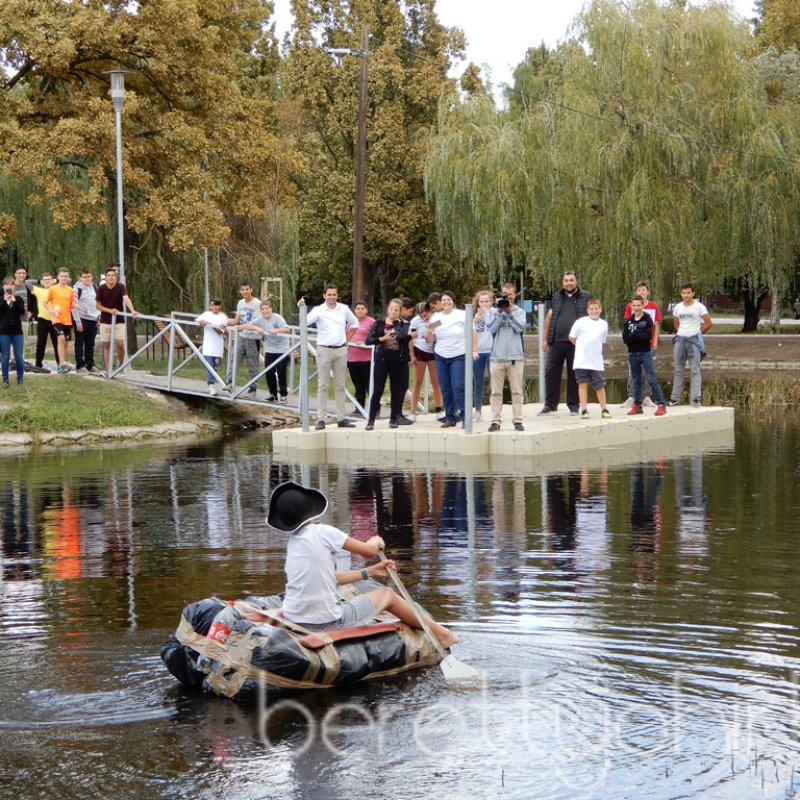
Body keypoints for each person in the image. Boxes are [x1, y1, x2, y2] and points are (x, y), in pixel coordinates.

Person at [267, 481, 458, 648]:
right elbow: (369, 550)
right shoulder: (323, 532)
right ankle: (443, 634)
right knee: (388, 595)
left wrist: (370, 571)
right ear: (311, 511)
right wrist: (376, 540)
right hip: (328, 622)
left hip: (295, 619)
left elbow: (329, 578)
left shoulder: (293, 543)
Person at [299, 284, 357, 430]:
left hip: (340, 350)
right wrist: (302, 308)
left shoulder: (343, 309)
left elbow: (355, 323)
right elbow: (303, 322)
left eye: (334, 294)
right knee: (322, 385)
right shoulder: (319, 310)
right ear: (324, 296)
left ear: (337, 295)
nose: (332, 297)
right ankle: (321, 419)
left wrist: (347, 340)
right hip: (324, 350)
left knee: (340, 385)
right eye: (329, 294)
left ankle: (341, 418)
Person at [539, 270, 593, 415]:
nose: (569, 283)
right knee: (551, 373)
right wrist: (545, 339)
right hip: (556, 342)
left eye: (571, 280)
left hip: (577, 343)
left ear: (576, 281)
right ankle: (550, 404)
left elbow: (592, 318)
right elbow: (549, 318)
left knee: (574, 374)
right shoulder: (556, 297)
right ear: (563, 282)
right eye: (566, 280)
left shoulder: (586, 297)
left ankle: (574, 406)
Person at [365, 298, 413, 430]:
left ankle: (393, 419)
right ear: (388, 309)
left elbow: (402, 336)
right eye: (391, 309)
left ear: (400, 311)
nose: (393, 312)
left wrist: (396, 323)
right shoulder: (379, 322)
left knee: (395, 390)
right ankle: (371, 420)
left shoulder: (405, 324)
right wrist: (383, 338)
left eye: (396, 310)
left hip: (398, 359)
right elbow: (368, 340)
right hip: (381, 359)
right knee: (377, 390)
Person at [486, 282, 526, 432]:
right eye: (504, 294)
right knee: (496, 392)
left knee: (517, 391)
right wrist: (499, 311)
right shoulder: (493, 312)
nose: (507, 297)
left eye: (510, 294)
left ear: (514, 295)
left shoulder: (519, 311)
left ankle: (518, 420)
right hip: (497, 357)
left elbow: (520, 328)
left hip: (515, 357)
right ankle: (496, 420)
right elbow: (491, 329)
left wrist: (508, 312)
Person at [426, 290, 466, 428]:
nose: (446, 302)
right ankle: (450, 417)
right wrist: (429, 333)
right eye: (444, 300)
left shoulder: (461, 315)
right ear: (440, 302)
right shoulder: (437, 318)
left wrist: (473, 350)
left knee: (458, 387)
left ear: (453, 301)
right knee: (445, 388)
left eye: (449, 299)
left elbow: (471, 332)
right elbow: (431, 339)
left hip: (458, 354)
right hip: (441, 355)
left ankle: (465, 417)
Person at [622, 295, 667, 416]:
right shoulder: (629, 321)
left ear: (643, 306)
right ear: (631, 306)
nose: (636, 308)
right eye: (634, 305)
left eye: (639, 305)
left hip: (645, 353)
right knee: (636, 380)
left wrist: (633, 334)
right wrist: (636, 333)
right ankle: (637, 405)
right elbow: (625, 338)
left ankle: (661, 404)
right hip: (632, 353)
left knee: (651, 378)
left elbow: (646, 336)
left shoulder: (647, 319)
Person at [669, 283, 713, 407]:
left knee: (695, 370)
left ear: (693, 293)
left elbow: (708, 323)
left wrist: (697, 333)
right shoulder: (678, 307)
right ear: (681, 294)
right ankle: (674, 398)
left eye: (688, 293)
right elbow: (676, 323)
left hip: (694, 341)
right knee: (678, 370)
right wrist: (681, 333)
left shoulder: (699, 307)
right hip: (680, 340)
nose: (686, 295)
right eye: (683, 293)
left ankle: (695, 398)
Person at [568, 297, 610, 419]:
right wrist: (580, 347)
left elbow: (602, 340)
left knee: (600, 385)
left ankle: (604, 409)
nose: (594, 311)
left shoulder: (604, 324)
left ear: (600, 309)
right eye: (591, 309)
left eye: (596, 308)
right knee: (582, 384)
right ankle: (584, 409)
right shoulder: (580, 322)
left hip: (596, 361)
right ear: (587, 310)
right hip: (581, 360)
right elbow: (572, 337)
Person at [241, 299, 291, 402]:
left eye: (267, 308)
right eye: (263, 309)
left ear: (271, 309)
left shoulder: (277, 318)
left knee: (281, 372)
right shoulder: (260, 319)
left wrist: (276, 330)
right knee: (269, 372)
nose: (265, 311)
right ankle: (273, 395)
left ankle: (283, 395)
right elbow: (246, 325)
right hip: (270, 349)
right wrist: (256, 328)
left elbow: (287, 329)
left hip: (282, 349)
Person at [95, 265, 138, 372]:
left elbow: (126, 298)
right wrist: (110, 311)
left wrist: (132, 310)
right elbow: (98, 306)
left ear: (116, 277)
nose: (111, 277)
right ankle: (108, 368)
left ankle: (121, 366)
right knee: (107, 344)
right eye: (109, 275)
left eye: (113, 275)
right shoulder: (101, 289)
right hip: (105, 320)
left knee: (120, 344)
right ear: (105, 277)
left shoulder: (120, 287)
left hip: (119, 320)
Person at [226, 281, 262, 396]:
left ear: (251, 290)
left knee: (253, 363)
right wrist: (226, 323)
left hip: (253, 337)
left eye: (247, 289)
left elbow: (256, 322)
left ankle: (253, 388)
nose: (245, 291)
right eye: (243, 289)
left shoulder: (257, 303)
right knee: (234, 358)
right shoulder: (240, 303)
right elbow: (237, 320)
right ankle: (230, 382)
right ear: (240, 291)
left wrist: (244, 326)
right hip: (241, 336)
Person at [408, 301, 443, 420]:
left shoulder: (436, 319)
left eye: (425, 315)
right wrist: (412, 355)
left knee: (436, 381)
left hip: (433, 351)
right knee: (417, 381)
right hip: (419, 350)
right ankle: (413, 412)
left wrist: (430, 332)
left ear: (430, 311)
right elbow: (411, 339)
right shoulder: (415, 321)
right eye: (420, 315)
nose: (423, 318)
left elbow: (437, 337)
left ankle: (439, 410)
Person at [346, 300, 375, 417]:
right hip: (352, 359)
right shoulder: (350, 322)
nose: (360, 310)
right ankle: (359, 409)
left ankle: (375, 408)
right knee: (358, 386)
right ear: (354, 310)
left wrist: (365, 342)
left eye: (363, 308)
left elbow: (375, 338)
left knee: (369, 385)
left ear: (366, 310)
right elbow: (345, 337)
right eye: (358, 308)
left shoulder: (371, 322)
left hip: (367, 359)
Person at [194, 297, 228, 395]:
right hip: (208, 346)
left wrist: (209, 324)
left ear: (220, 306)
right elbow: (197, 320)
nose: (214, 307)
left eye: (216, 305)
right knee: (210, 366)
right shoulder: (206, 314)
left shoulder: (223, 317)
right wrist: (201, 322)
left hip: (217, 346)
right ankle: (210, 385)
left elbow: (221, 331)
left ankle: (211, 384)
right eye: (212, 305)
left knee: (215, 367)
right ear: (210, 306)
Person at [44, 267, 76, 373]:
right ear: (58, 277)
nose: (64, 278)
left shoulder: (70, 290)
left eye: (66, 276)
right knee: (61, 338)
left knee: (65, 342)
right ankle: (61, 365)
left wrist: (75, 306)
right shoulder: (53, 289)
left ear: (68, 277)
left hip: (68, 320)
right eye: (62, 276)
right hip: (57, 319)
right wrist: (51, 310)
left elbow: (71, 304)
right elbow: (45, 303)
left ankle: (62, 362)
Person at [72, 268, 101, 373]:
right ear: (80, 278)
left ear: (92, 277)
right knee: (79, 342)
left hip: (93, 319)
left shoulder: (95, 288)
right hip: (82, 318)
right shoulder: (76, 289)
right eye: (84, 277)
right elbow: (73, 306)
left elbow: (100, 303)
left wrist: (99, 317)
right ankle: (80, 365)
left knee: (90, 343)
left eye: (88, 276)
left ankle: (90, 364)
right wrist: (78, 322)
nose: (87, 279)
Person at [471, 290, 494, 421]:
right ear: (477, 302)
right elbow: (466, 332)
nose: (484, 304)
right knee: (478, 382)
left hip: (491, 351)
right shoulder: (473, 315)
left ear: (490, 302)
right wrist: (474, 320)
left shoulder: (494, 313)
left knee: (494, 382)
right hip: (477, 352)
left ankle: (496, 411)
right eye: (481, 301)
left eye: (486, 301)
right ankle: (478, 410)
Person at [1, 276, 26, 388]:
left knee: (19, 356)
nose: (9, 286)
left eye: (11, 284)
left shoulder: (18, 299)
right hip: (4, 332)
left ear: (14, 287)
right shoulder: (1, 299)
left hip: (17, 332)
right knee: (5, 356)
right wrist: (5, 301)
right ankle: (5, 380)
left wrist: (14, 301)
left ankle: (20, 379)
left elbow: (22, 311)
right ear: (3, 287)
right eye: (7, 284)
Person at [30, 273, 60, 369]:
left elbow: (68, 280)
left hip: (54, 320)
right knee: (41, 343)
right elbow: (27, 282)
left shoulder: (56, 290)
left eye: (49, 279)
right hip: (42, 320)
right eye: (45, 279)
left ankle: (60, 364)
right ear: (42, 281)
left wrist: (56, 280)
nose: (47, 281)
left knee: (57, 343)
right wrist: (39, 281)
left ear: (52, 281)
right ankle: (38, 364)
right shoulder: (38, 290)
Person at [12, 267, 37, 366]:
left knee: (22, 341)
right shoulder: (10, 286)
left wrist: (31, 311)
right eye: (19, 273)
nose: (22, 275)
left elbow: (34, 300)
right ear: (15, 274)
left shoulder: (28, 286)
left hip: (24, 319)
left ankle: (20, 361)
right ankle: (12, 361)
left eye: (24, 273)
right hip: (12, 319)